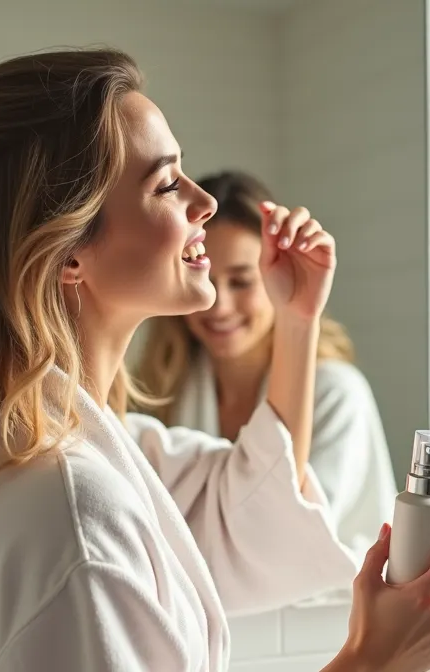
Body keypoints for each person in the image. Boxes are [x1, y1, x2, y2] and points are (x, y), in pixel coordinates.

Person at [0, 48, 430, 672]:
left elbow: (248, 511)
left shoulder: (71, 447)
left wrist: (295, 326)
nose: (204, 202)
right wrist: (374, 659)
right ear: (68, 250)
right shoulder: (72, 516)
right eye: (168, 184)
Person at [135, 170, 397, 554]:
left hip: (331, 611)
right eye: (203, 275)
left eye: (242, 282)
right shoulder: (168, 386)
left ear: (278, 275)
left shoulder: (337, 393)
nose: (218, 304)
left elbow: (286, 539)